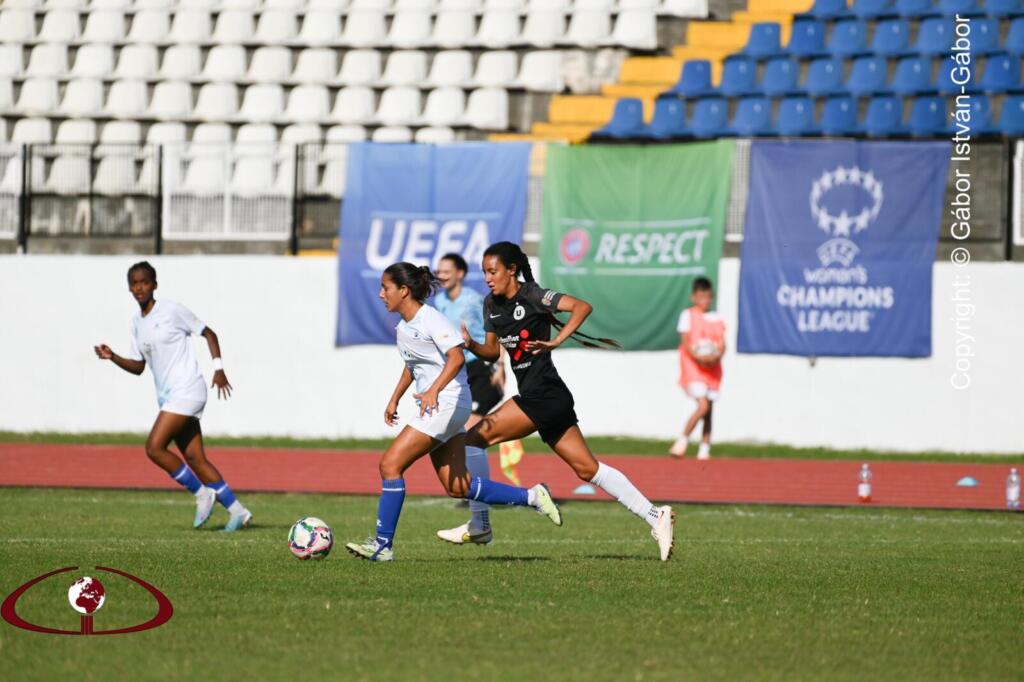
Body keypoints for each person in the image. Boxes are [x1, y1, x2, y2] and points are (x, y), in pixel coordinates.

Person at [460, 242, 676, 562]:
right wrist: (472, 345)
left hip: (542, 394)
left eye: (493, 272)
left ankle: (480, 523)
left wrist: (556, 341)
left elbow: (582, 306)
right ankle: (655, 515)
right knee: (588, 469)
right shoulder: (490, 304)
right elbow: (493, 352)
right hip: (549, 398)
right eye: (484, 273)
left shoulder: (533, 295)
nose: (488, 278)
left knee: (472, 440)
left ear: (511, 270)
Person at [344, 262, 561, 563]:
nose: (381, 294)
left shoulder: (430, 319)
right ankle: (533, 497)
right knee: (458, 485)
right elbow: (413, 365)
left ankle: (382, 546)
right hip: (441, 404)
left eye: (386, 287)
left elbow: (457, 358)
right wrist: (395, 399)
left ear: (403, 290)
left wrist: (433, 390)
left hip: (446, 403)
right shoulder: (404, 326)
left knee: (390, 465)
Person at [93, 261, 252, 531]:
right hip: (170, 397)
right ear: (129, 287)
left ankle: (203, 494)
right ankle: (238, 511)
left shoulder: (171, 310)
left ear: (154, 285)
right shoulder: (136, 323)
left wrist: (219, 369)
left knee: (154, 448)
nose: (139, 287)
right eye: (134, 283)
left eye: (144, 282)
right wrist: (113, 357)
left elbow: (209, 333)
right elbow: (139, 367)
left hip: (188, 389)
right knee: (195, 459)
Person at [433, 252, 520, 546]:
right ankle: (478, 499)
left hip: (482, 369)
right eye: (439, 270)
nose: (441, 274)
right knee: (465, 434)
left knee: (472, 433)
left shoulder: (473, 300)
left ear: (459, 273)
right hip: (460, 371)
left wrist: (500, 368)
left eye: (447, 270)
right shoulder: (440, 302)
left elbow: (495, 337)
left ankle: (479, 501)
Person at [669, 277, 725, 460]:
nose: (705, 301)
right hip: (693, 367)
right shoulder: (688, 315)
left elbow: (722, 344)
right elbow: (686, 341)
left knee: (709, 409)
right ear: (694, 297)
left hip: (712, 369)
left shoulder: (717, 318)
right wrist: (699, 357)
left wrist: (715, 356)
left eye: (708, 297)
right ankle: (682, 440)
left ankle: (704, 448)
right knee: (702, 405)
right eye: (701, 297)